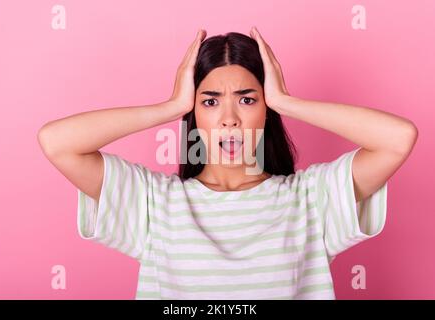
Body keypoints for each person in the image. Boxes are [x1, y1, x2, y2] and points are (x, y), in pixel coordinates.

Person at [37, 26, 418, 299]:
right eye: (210, 101)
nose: (229, 118)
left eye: (248, 99)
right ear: (195, 114)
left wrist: (287, 102)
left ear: (266, 109)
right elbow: (57, 142)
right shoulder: (155, 202)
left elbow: (397, 139)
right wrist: (170, 107)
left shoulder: (311, 199)